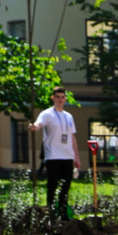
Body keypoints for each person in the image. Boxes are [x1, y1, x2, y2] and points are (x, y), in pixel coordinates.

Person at [29, 86, 80, 219]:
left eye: (62, 97)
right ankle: (51, 214)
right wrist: (34, 127)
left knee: (65, 187)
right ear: (53, 98)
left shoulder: (69, 116)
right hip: (53, 156)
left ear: (65, 99)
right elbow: (39, 124)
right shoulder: (47, 114)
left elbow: (72, 137)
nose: (60, 100)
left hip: (67, 156)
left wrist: (76, 157)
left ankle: (63, 214)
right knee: (52, 186)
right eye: (57, 97)